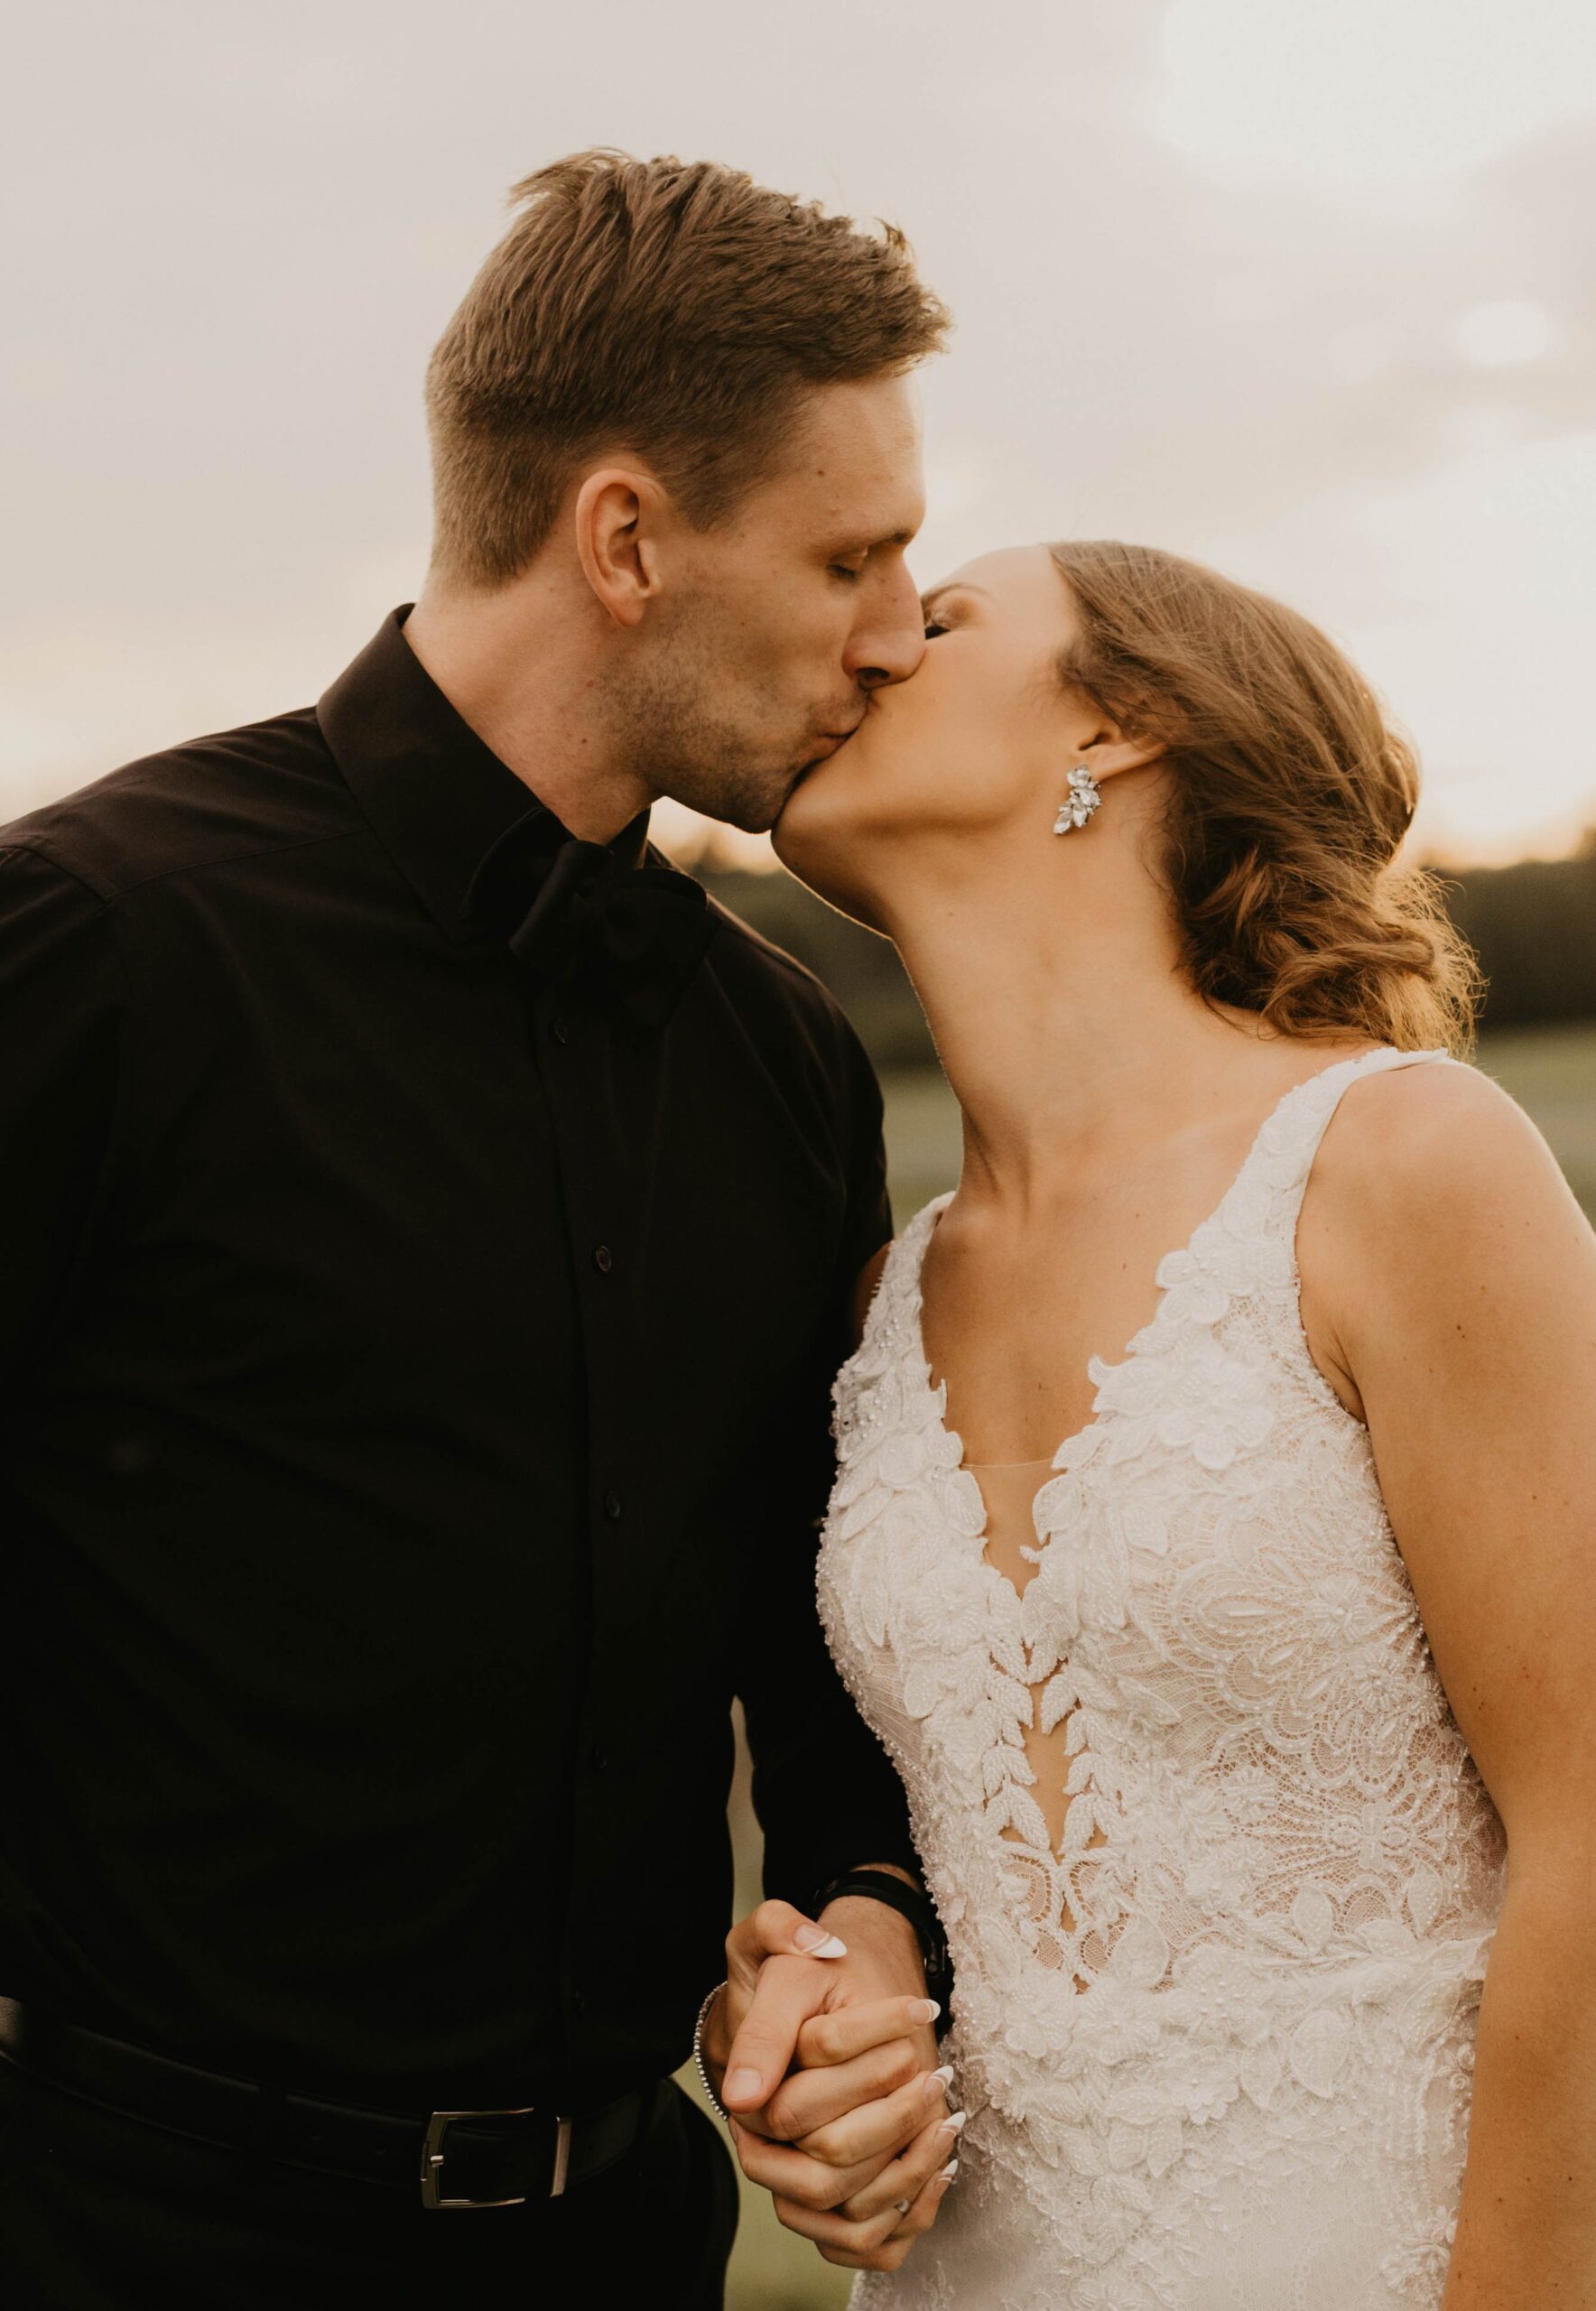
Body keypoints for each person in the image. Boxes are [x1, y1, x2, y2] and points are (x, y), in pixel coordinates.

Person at [0, 150, 958, 2307]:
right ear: (624, 535)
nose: (895, 631)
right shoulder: (94, 944)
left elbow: (821, 1678)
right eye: (851, 555)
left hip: (625, 2246)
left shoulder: (787, 1058)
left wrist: (862, 1929)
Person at [762, 538, 1596, 2303]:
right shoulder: (883, 1302)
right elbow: (927, 1843)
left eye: (944, 615)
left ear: (1119, 724)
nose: (873, 643)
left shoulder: (1397, 1165)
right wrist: (827, 2010)